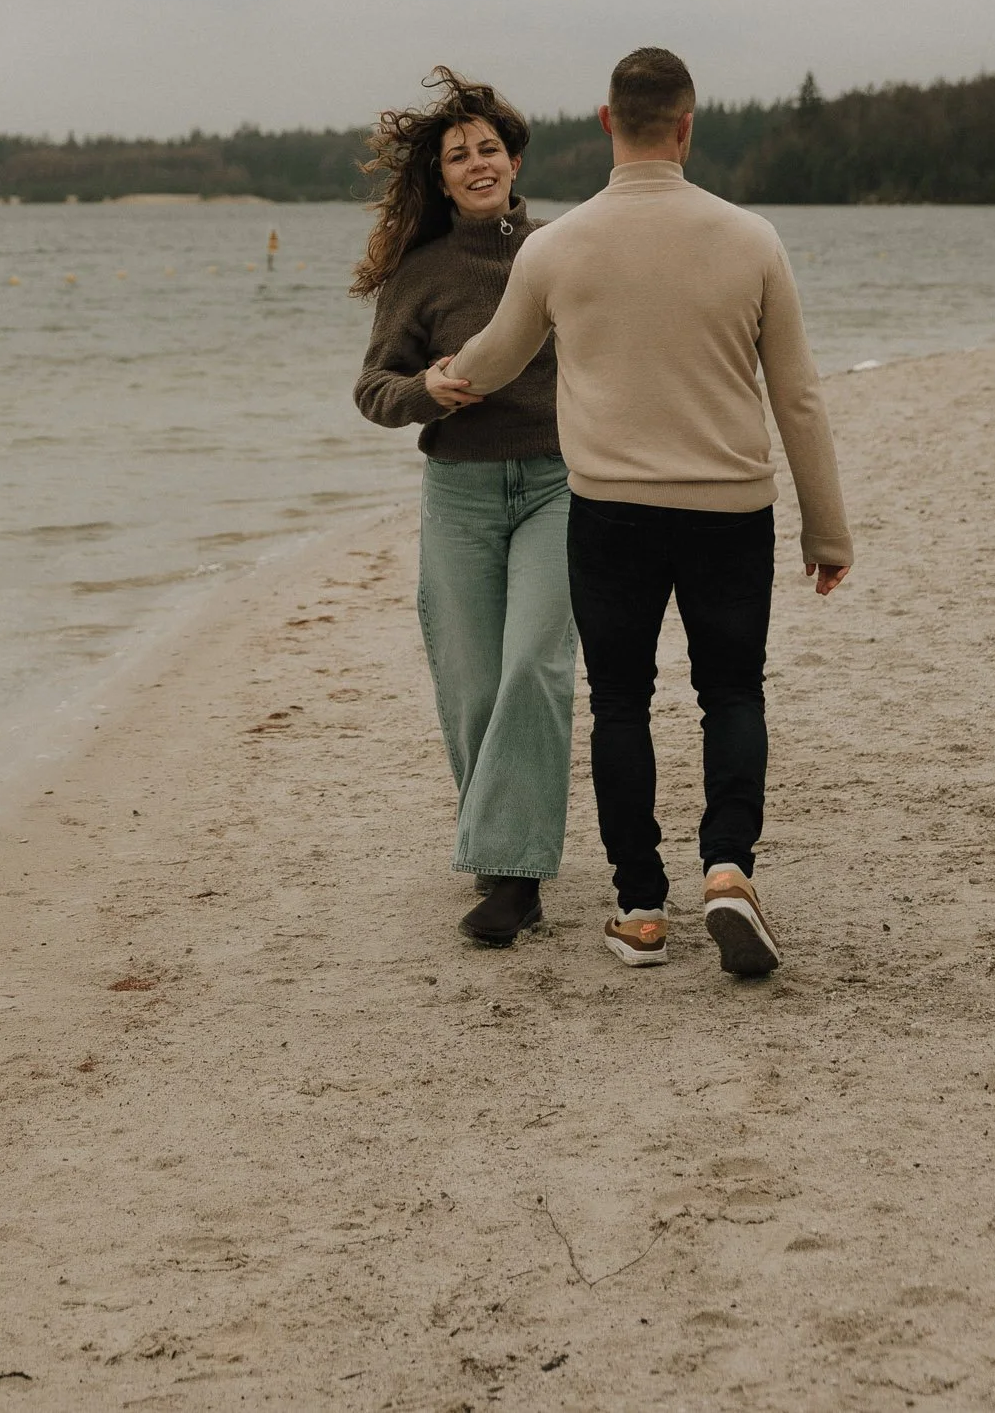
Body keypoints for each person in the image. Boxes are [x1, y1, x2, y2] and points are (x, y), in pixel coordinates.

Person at [443, 47, 852, 978]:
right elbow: (797, 397)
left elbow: (496, 358)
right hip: (730, 510)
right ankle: (726, 870)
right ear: (686, 124)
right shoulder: (751, 239)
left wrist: (430, 381)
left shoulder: (556, 245)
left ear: (603, 123)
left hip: (610, 513)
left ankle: (637, 908)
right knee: (732, 693)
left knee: (622, 702)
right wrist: (826, 530)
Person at [353, 67, 576, 949]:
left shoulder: (564, 251)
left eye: (489, 148)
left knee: (534, 666)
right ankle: (498, 846)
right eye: (458, 156)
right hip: (460, 494)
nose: (477, 163)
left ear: (514, 160)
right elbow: (372, 389)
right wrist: (428, 389)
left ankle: (515, 878)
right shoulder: (422, 273)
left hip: (561, 484)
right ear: (439, 177)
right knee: (473, 683)